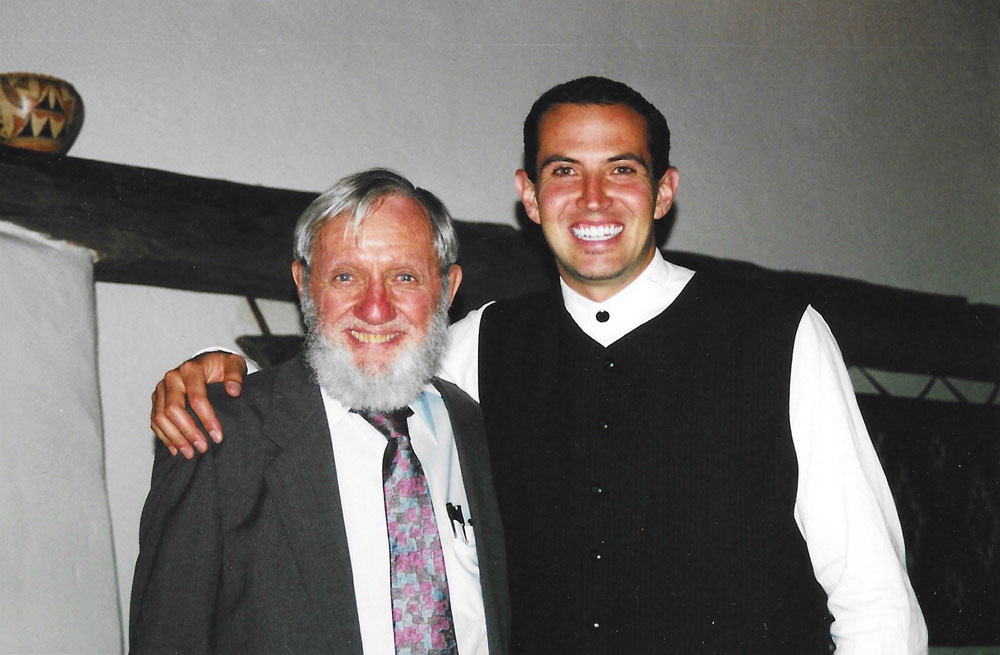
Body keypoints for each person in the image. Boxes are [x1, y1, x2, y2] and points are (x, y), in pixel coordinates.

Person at [150, 77, 927, 653]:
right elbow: (356, 365)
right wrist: (209, 375)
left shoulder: (779, 335)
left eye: (622, 169)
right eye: (563, 171)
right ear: (528, 194)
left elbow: (874, 601)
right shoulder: (477, 344)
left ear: (663, 192)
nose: (592, 199)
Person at [131, 169, 510, 654]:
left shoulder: (484, 433)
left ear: (448, 288)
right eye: (346, 276)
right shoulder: (220, 435)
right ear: (304, 285)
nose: (376, 308)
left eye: (405, 276)